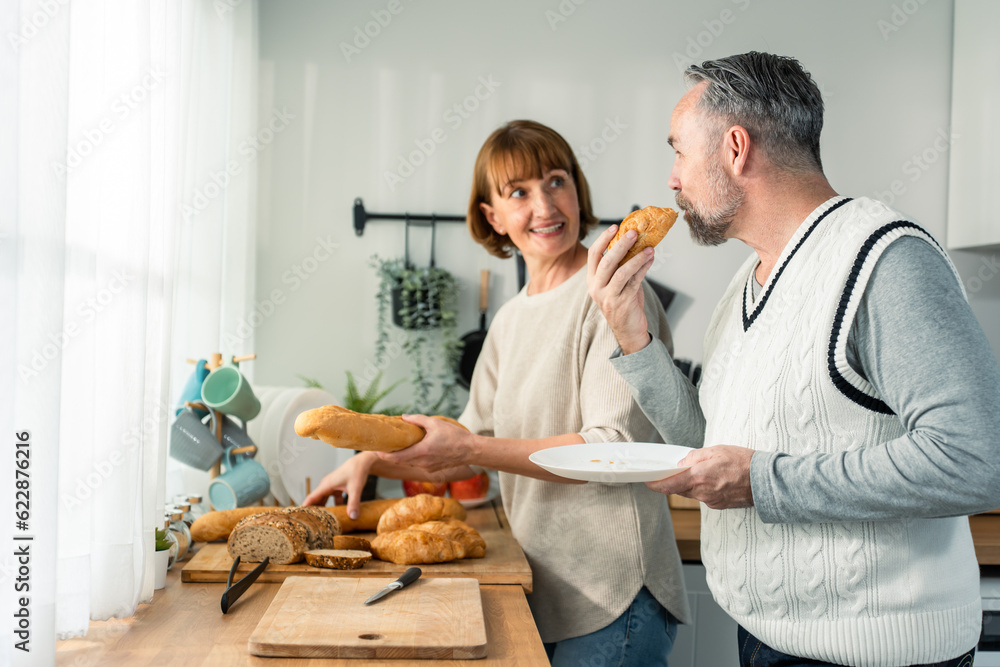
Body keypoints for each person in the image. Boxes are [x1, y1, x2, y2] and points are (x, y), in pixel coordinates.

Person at [588, 51, 1000, 667]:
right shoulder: (749, 281)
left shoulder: (885, 261)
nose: (672, 179)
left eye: (678, 151)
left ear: (735, 148)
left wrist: (760, 481)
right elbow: (713, 448)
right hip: (768, 638)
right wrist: (632, 335)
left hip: (874, 655)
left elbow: (975, 461)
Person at [305, 120, 696, 666]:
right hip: (547, 587)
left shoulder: (611, 291)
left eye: (555, 181)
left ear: (577, 190)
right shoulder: (509, 321)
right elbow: (465, 450)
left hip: (614, 592)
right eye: (518, 192)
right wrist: (370, 461)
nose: (544, 205)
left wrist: (467, 450)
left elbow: (610, 448)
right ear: (492, 216)